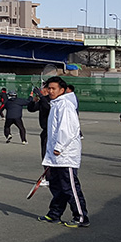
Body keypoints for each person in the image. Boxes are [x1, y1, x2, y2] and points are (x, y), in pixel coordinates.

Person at [38, 76, 89, 228]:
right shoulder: (55, 104)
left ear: (62, 90)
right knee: (57, 186)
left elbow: (68, 129)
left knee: (70, 187)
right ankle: (54, 214)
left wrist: (59, 148)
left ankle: (81, 217)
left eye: (54, 89)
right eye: (49, 88)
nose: (51, 91)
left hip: (65, 155)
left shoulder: (65, 105)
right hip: (55, 156)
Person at [28, 82, 54, 163]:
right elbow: (31, 109)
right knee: (44, 154)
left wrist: (41, 96)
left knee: (51, 155)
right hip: (45, 130)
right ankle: (47, 173)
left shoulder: (53, 100)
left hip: (53, 130)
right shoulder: (43, 100)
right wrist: (33, 101)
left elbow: (48, 106)